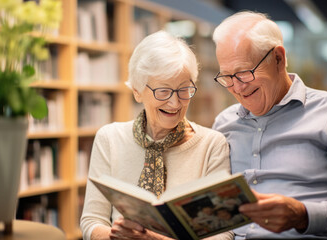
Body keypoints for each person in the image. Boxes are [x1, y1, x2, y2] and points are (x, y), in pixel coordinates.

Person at [211, 11, 327, 239]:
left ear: (278, 59)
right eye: (227, 77)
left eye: (243, 73)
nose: (236, 87)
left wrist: (303, 215)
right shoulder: (224, 123)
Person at [80, 30, 233, 240]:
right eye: (163, 91)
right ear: (137, 91)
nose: (175, 103)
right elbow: (91, 221)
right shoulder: (109, 138)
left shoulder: (212, 145)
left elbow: (223, 235)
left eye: (184, 89)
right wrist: (116, 236)